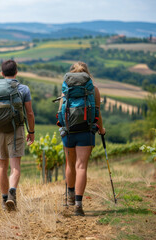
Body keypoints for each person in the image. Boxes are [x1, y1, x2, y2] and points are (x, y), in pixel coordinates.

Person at [0, 60, 35, 211]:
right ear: (16, 72)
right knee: (15, 166)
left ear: (2, 73)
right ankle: (12, 193)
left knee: (2, 165)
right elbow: (30, 113)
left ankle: (4, 199)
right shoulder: (23, 89)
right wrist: (31, 132)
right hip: (16, 130)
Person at [58, 61, 105, 216]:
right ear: (87, 73)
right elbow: (97, 113)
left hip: (69, 131)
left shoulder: (66, 89)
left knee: (70, 164)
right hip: (86, 130)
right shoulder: (94, 90)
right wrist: (102, 129)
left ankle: (70, 196)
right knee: (81, 166)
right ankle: (79, 205)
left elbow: (60, 111)